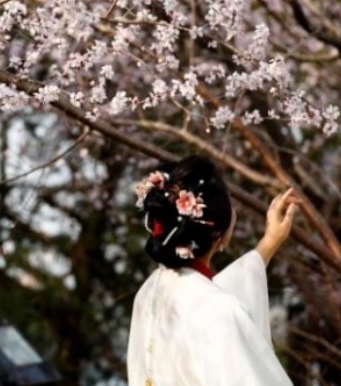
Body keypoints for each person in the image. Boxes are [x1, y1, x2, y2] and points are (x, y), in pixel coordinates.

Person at [126, 155, 299, 386]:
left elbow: (209, 298)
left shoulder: (150, 291)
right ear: (220, 234)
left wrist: (268, 244)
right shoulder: (218, 309)